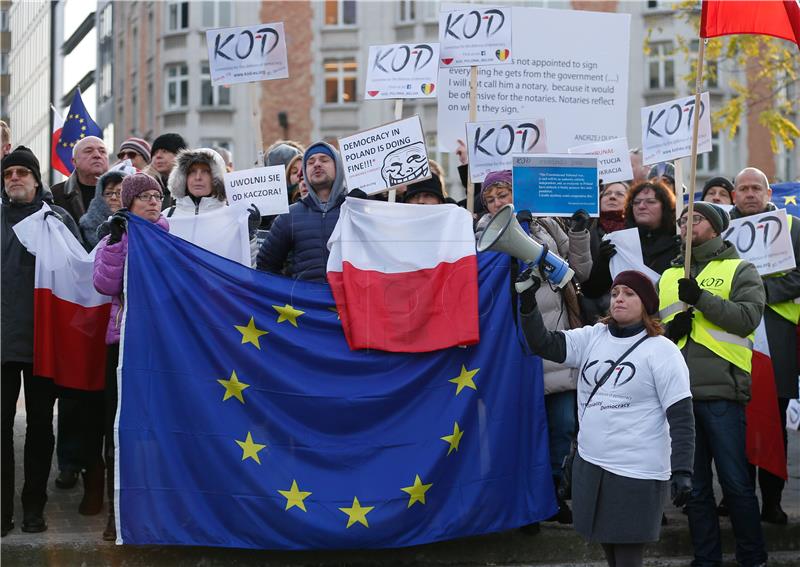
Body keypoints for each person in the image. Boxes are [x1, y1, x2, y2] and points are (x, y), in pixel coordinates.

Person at [519, 269, 694, 567]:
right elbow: (543, 344)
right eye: (615, 293)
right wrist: (527, 302)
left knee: (627, 557)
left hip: (636, 471)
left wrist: (682, 470)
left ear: (646, 304)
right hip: (592, 465)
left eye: (629, 294)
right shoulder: (593, 337)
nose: (619, 299)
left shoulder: (662, 351)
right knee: (610, 554)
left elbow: (681, 416)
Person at [474, 169, 593, 526]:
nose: (497, 203)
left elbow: (578, 273)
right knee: (520, 426)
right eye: (491, 198)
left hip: (551, 338)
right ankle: (522, 501)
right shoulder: (480, 233)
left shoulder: (546, 224)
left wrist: (578, 232)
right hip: (510, 346)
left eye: (503, 194)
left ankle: (553, 492)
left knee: (562, 423)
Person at [658, 202, 767, 566]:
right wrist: (669, 332)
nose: (687, 223)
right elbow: (656, 331)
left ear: (717, 227)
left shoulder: (741, 268)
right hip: (680, 397)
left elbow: (748, 318)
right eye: (683, 219)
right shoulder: (669, 276)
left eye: (697, 218)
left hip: (722, 391)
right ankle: (707, 559)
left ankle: (753, 557)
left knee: (736, 484)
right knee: (697, 488)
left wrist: (701, 299)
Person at [2, 146, 82, 536]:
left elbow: (79, 273)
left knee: (39, 429)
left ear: (36, 179)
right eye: (8, 173)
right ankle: (2, 510)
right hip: (2, 344)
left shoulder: (57, 219)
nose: (14, 178)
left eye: (22, 172)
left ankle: (34, 506)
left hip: (43, 343)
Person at [93, 173, 169, 541]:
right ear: (129, 204)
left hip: (160, 345)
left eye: (157, 195)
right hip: (123, 343)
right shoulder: (114, 238)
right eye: (145, 197)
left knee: (155, 432)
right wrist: (119, 241)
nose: (153, 201)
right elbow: (105, 284)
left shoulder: (170, 238)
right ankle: (117, 513)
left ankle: (154, 509)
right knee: (119, 430)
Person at [731, 167, 800, 524]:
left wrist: (761, 295)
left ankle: (771, 501)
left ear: (769, 192)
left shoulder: (792, 227)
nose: (750, 194)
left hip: (776, 342)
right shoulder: (719, 228)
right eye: (743, 188)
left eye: (756, 187)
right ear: (733, 195)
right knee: (731, 425)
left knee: (772, 421)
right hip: (729, 343)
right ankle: (735, 499)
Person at [257, 141, 347, 282]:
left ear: (339, 167)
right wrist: (288, 294)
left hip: (349, 302)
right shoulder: (288, 217)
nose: (317, 164)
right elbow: (266, 267)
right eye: (310, 162)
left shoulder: (355, 210)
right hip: (306, 303)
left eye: (324, 160)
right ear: (305, 173)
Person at [165, 148, 260, 266]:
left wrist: (249, 234)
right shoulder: (167, 216)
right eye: (192, 171)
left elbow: (249, 266)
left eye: (206, 171)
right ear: (183, 177)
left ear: (217, 178)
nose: (198, 177)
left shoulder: (233, 218)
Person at [581, 181, 629, 323]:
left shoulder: (637, 229)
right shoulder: (586, 229)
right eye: (607, 193)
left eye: (620, 194)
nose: (612, 197)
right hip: (593, 310)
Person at [623, 180, 680, 275]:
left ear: (665, 207)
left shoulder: (678, 242)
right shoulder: (622, 242)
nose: (641, 206)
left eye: (650, 202)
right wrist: (603, 261)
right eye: (636, 202)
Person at [51, 136, 110, 223]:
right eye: (88, 151)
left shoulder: (122, 192)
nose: (97, 155)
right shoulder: (54, 195)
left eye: (102, 151)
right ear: (74, 162)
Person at [78, 165, 134, 248]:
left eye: (119, 193)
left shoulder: (139, 223)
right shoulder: (86, 225)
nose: (114, 198)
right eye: (108, 193)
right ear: (99, 196)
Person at [144, 132, 187, 209]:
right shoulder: (144, 186)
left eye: (165, 151)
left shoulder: (191, 186)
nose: (158, 156)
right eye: (155, 153)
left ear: (179, 155)